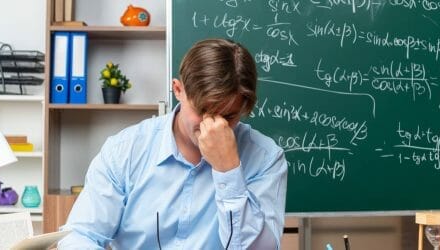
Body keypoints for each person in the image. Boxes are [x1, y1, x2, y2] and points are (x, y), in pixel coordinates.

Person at [58, 38, 288, 249]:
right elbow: (80, 235)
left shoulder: (265, 158)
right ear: (178, 90)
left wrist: (228, 170)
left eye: (228, 117)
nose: (214, 126)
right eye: (203, 111)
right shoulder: (124, 150)